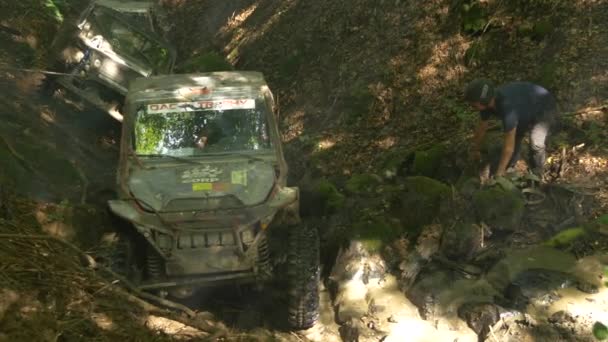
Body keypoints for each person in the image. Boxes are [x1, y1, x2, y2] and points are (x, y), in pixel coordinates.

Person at [464, 78, 558, 178]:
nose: (471, 106)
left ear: (483, 102)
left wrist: (499, 172)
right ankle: (511, 164)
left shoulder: (507, 108)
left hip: (544, 107)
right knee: (516, 136)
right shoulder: (487, 104)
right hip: (524, 108)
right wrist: (474, 149)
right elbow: (481, 128)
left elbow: (508, 145)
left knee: (536, 143)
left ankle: (539, 172)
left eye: (473, 104)